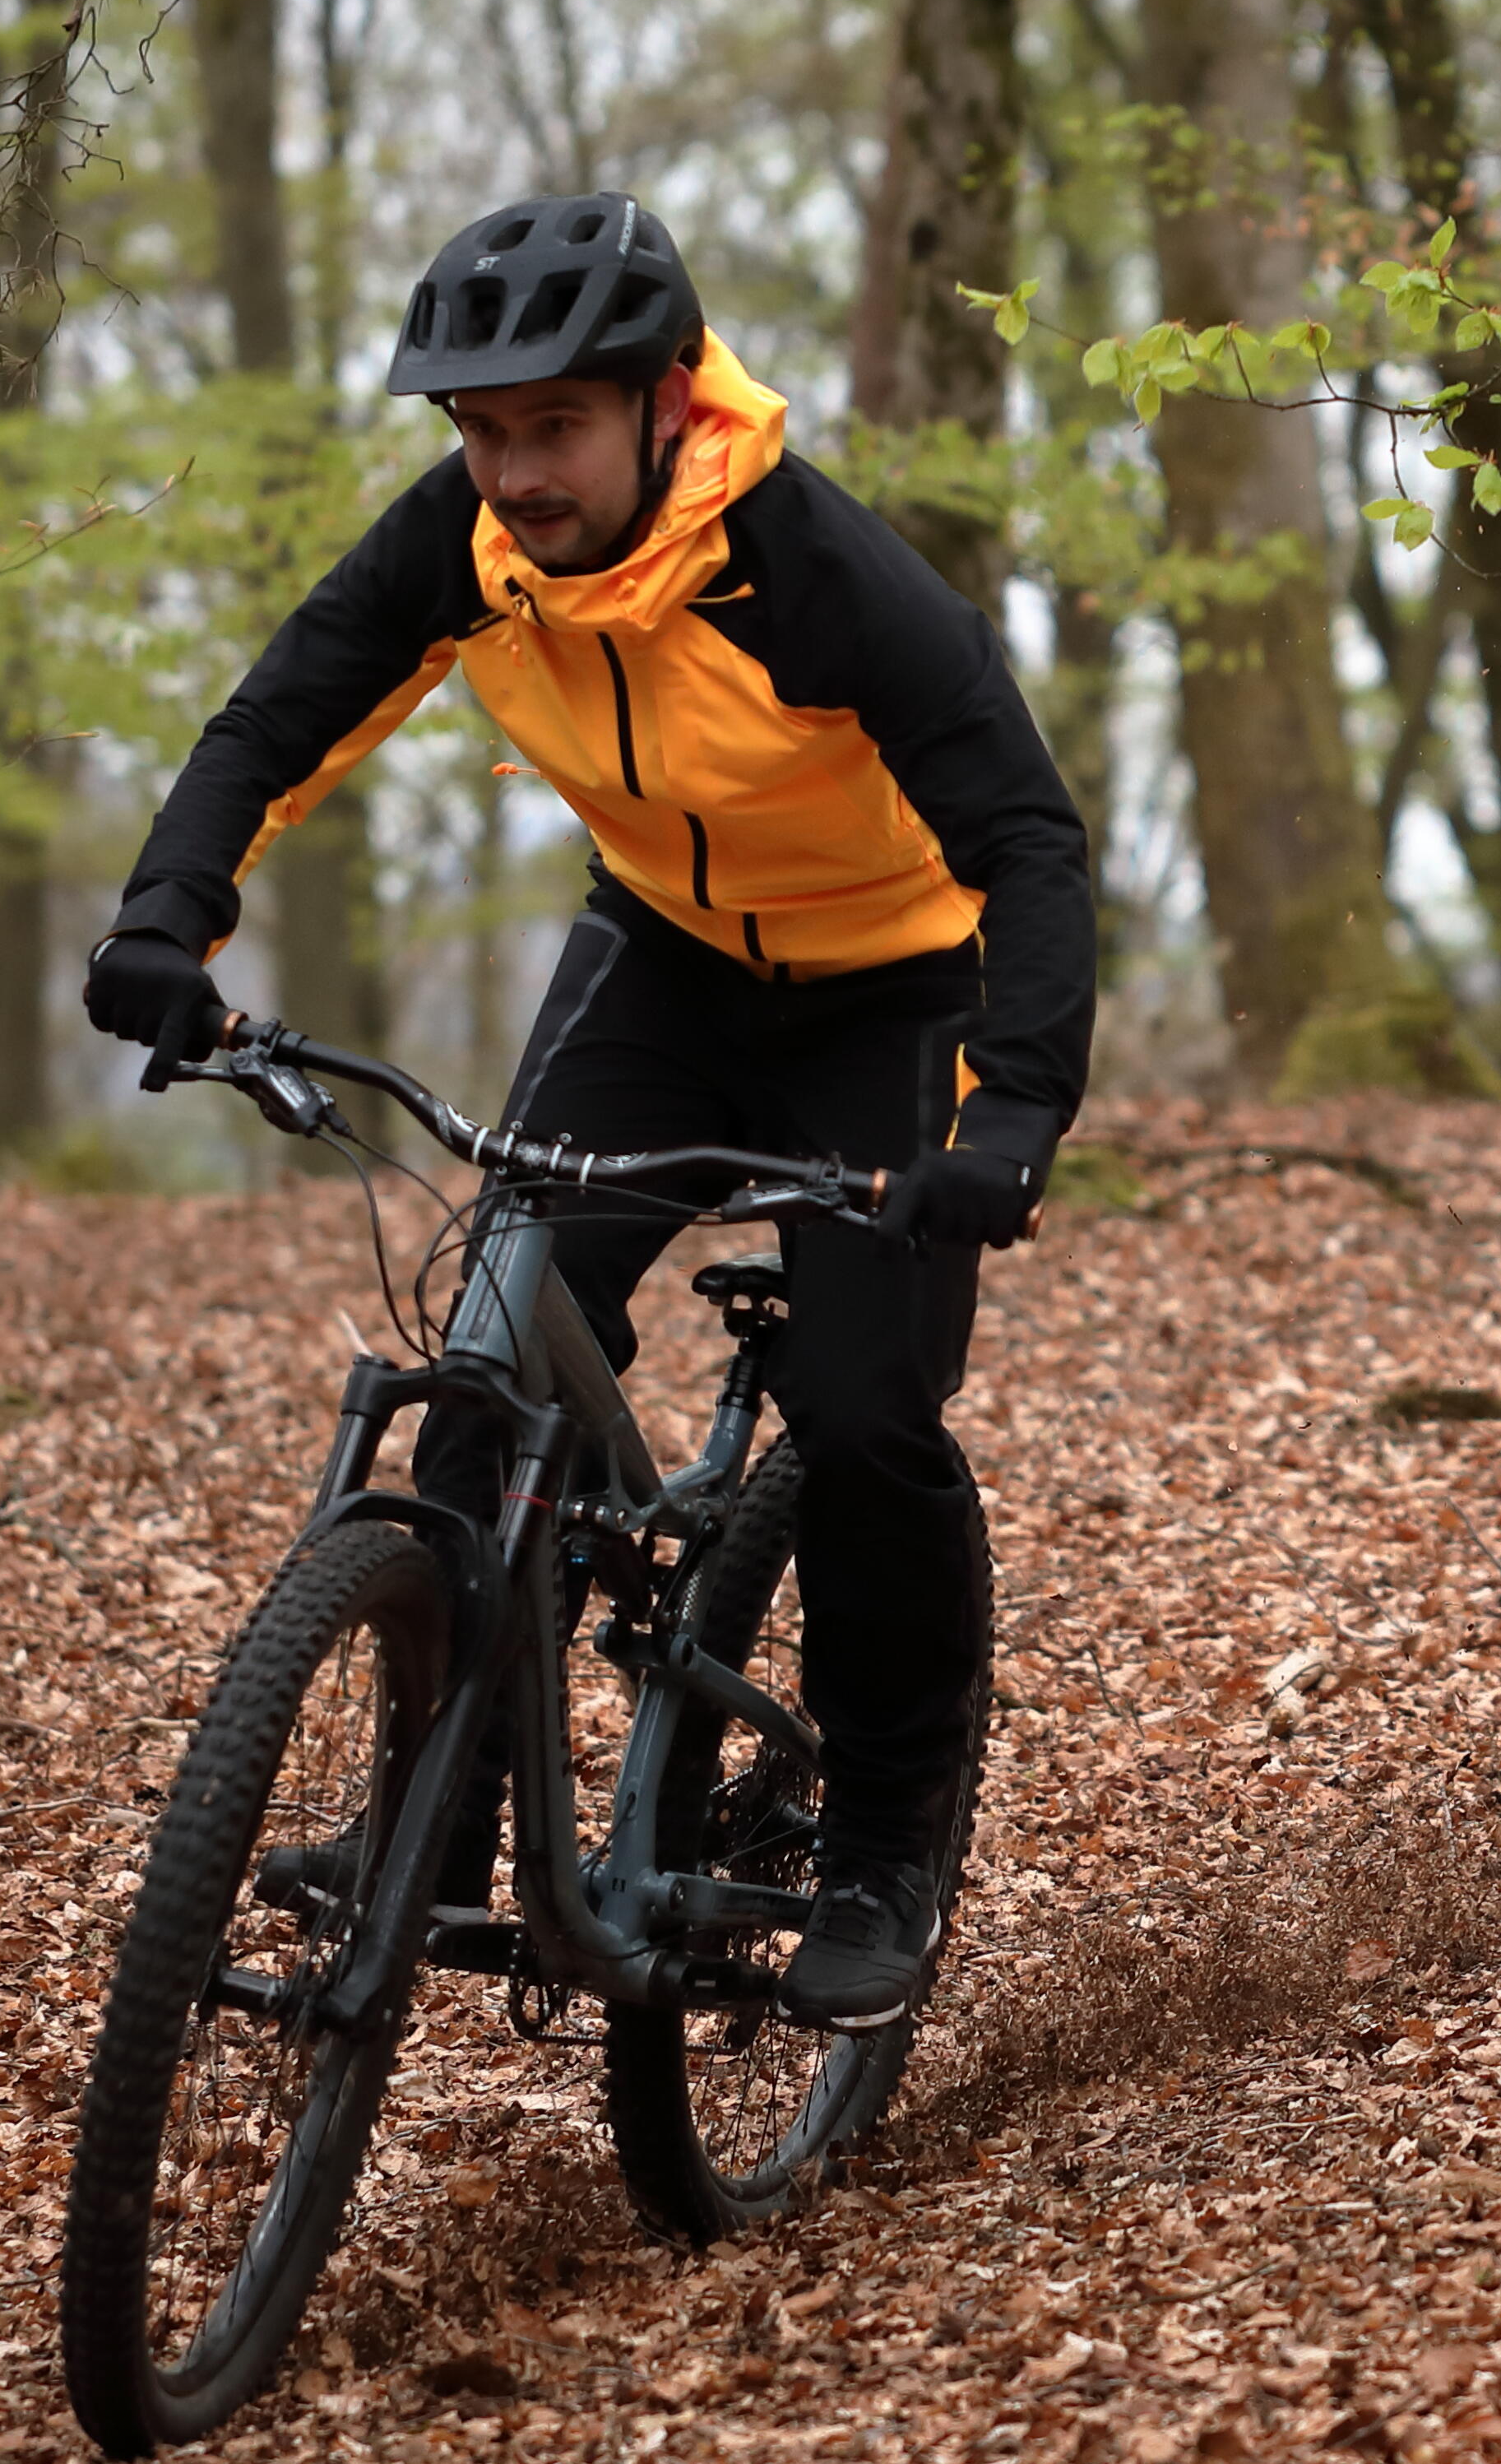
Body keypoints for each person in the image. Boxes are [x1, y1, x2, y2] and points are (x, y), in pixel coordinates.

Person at [82, 190, 1091, 2030]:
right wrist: (171, 912)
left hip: (894, 986)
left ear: (659, 405)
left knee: (865, 1413)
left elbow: (1025, 834)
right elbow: (275, 718)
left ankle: (881, 1849)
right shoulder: (468, 547)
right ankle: (434, 1823)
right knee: (482, 1381)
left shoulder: (813, 567)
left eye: (552, 425)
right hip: (667, 962)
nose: (513, 470)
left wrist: (1014, 1106)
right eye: (481, 431)